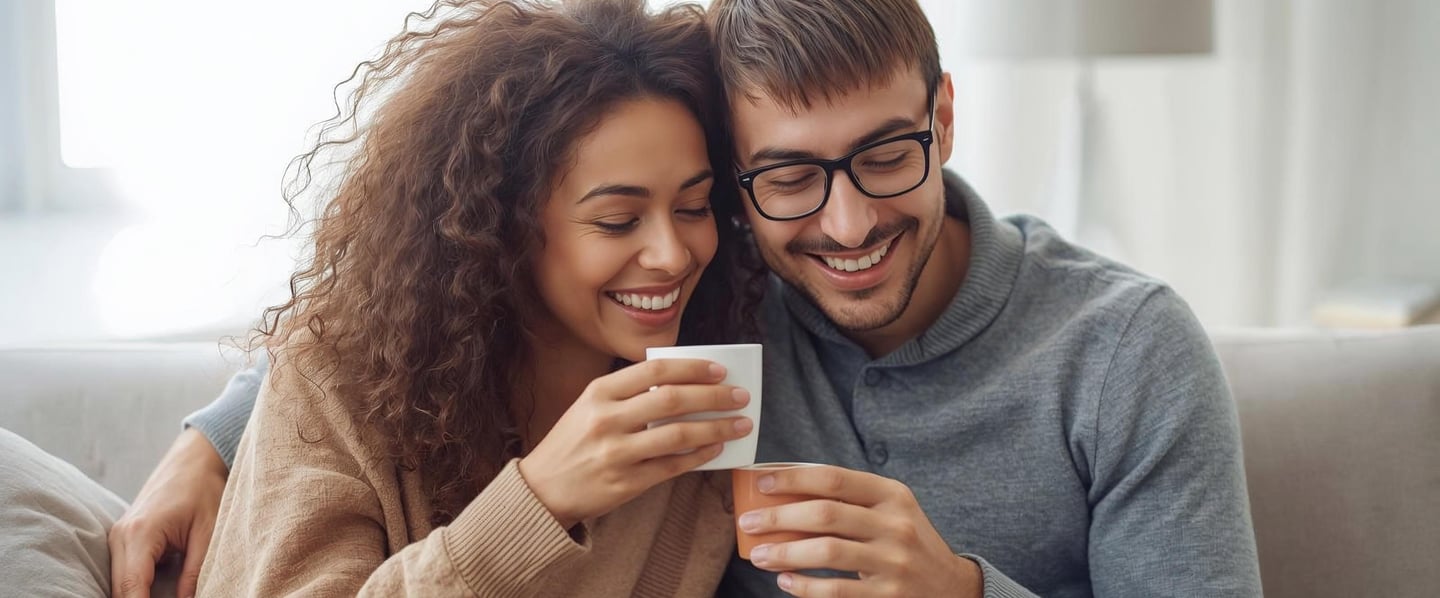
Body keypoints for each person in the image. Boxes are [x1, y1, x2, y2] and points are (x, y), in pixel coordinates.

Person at [111, 0, 1264, 596]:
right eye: (788, 177)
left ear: (945, 118)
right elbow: (406, 310)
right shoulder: (717, 317)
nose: (847, 225)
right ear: (742, 175)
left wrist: (961, 592)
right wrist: (212, 437)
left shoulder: (1124, 351)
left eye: (886, 155)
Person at [125, 0, 765, 595]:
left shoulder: (710, 387)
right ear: (500, 225)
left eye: (693, 206)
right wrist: (539, 500)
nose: (672, 255)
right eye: (617, 221)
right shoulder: (335, 392)